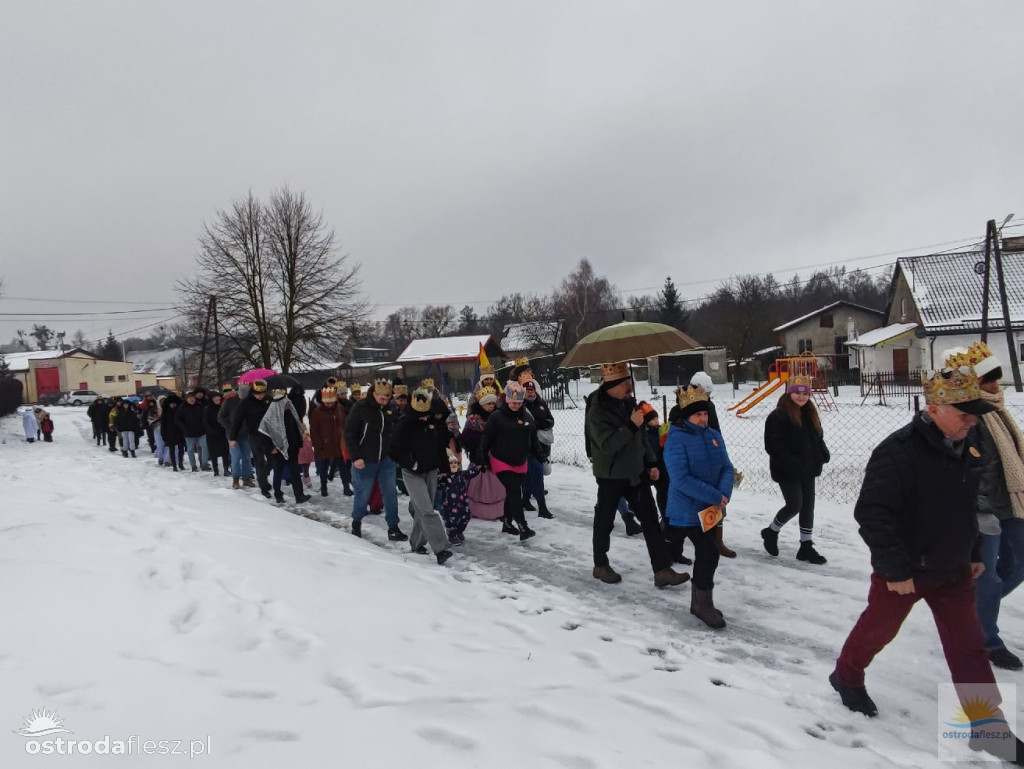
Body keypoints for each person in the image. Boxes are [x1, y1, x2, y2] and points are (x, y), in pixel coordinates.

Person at [830, 365, 1005, 726]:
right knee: (877, 631)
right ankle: (845, 677)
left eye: (974, 415)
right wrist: (894, 569)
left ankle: (987, 724)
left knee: (969, 646)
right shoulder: (898, 451)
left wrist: (972, 552)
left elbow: (966, 506)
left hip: (953, 569)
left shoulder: (966, 445)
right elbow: (872, 513)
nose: (971, 422)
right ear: (935, 408)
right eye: (963, 414)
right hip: (906, 570)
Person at [585, 362, 688, 588]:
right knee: (605, 520)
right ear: (612, 385)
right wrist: (631, 425)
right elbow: (607, 445)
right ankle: (600, 565)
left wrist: (651, 461)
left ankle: (661, 570)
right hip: (611, 475)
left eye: (629, 382)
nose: (630, 387)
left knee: (651, 520)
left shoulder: (630, 403)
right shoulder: (597, 410)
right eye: (625, 383)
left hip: (635, 472)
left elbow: (641, 438)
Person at [959, 343, 1024, 671]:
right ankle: (987, 640)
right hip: (983, 509)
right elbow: (966, 468)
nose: (996, 385)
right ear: (972, 382)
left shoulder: (998, 410)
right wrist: (979, 509)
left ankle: (967, 613)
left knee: (1018, 564)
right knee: (987, 577)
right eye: (988, 380)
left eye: (996, 378)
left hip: (1011, 501)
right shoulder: (967, 414)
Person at [663, 385, 735, 628]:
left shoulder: (713, 434)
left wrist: (724, 492)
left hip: (711, 509)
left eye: (705, 413)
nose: (703, 419)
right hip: (688, 508)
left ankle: (700, 602)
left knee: (709, 552)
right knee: (708, 552)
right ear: (686, 416)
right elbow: (680, 478)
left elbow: (727, 466)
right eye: (697, 415)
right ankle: (702, 604)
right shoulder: (676, 439)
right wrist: (715, 495)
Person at [761, 374, 830, 564]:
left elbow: (818, 438)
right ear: (789, 393)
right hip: (788, 469)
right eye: (797, 393)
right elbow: (773, 446)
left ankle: (806, 547)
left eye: (805, 393)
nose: (801, 397)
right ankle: (771, 531)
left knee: (808, 507)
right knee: (794, 504)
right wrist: (793, 462)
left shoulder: (810, 413)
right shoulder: (778, 416)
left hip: (809, 468)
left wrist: (823, 453)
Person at [389, 381, 452, 564]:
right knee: (427, 510)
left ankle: (416, 543)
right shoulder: (403, 426)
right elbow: (393, 450)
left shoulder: (432, 422)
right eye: (422, 416)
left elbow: (440, 446)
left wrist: (444, 469)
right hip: (412, 473)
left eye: (428, 415)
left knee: (421, 510)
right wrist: (410, 462)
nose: (425, 418)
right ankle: (441, 548)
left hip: (431, 471)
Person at [344, 379, 406, 541]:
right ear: (374, 394)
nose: (385, 401)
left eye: (387, 398)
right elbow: (349, 433)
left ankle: (393, 527)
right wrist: (356, 457)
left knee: (390, 494)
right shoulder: (360, 408)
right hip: (365, 459)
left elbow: (400, 426)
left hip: (386, 459)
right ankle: (356, 521)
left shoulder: (390, 408)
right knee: (363, 494)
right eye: (381, 398)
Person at [480, 381, 542, 541]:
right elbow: (486, 440)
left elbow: (533, 439)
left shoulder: (527, 416)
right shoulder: (496, 417)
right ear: (507, 400)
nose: (516, 405)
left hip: (520, 461)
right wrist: (482, 459)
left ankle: (507, 523)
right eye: (513, 402)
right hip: (501, 460)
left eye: (519, 402)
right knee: (515, 491)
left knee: (512, 492)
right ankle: (523, 526)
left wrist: (540, 455)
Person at [258, 388, 312, 504]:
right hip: (278, 449)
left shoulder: (290, 413)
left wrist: (299, 442)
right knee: (278, 471)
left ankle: (299, 495)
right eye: (285, 402)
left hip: (292, 448)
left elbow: (296, 428)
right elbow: (263, 433)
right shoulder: (270, 417)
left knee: (295, 472)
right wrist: (271, 447)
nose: (288, 404)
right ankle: (278, 494)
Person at [231, 380, 273, 497]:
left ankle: (263, 476)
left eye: (262, 393)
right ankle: (263, 486)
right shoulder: (246, 403)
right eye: (258, 394)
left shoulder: (269, 400)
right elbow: (237, 421)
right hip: (254, 435)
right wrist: (233, 438)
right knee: (260, 461)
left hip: (269, 435)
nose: (260, 396)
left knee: (272, 460)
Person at [521, 378, 554, 519]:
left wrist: (540, 423)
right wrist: (540, 424)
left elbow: (550, 420)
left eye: (532, 390)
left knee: (533, 474)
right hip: (527, 446)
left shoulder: (541, 403)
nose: (530, 392)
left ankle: (526, 501)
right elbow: (528, 424)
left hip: (542, 444)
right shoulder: (520, 406)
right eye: (527, 390)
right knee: (534, 473)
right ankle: (541, 507)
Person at [439, 449, 482, 546]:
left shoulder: (461, 475)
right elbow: (437, 484)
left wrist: (478, 468)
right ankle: (452, 535)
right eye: (451, 464)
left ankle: (459, 531)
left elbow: (471, 472)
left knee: (466, 516)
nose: (454, 465)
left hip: (462, 502)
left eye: (456, 463)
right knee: (452, 521)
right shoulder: (444, 478)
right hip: (450, 505)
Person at [310, 386, 345, 497]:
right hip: (324, 443)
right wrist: (318, 445)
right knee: (324, 466)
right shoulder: (317, 412)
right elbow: (314, 430)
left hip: (338, 442)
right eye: (327, 402)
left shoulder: (339, 408)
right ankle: (324, 486)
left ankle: (346, 486)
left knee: (343, 465)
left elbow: (343, 423)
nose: (329, 404)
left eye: (331, 402)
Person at [220, 384, 254, 488]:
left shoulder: (250, 402)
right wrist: (231, 426)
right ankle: (235, 479)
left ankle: (247, 477)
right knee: (236, 456)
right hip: (232, 434)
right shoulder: (229, 402)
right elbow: (221, 417)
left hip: (246, 434)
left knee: (246, 456)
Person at [176, 391, 210, 472]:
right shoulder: (182, 407)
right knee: (190, 450)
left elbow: (205, 417)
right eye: (190, 398)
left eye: (193, 398)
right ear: (187, 399)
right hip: (189, 433)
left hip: (201, 432)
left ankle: (204, 464)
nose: (192, 400)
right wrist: (184, 428)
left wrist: (205, 426)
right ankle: (193, 466)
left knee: (205, 447)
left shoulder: (199, 406)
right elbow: (177, 419)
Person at [204, 391, 231, 477]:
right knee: (213, 453)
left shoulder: (222, 407)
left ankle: (226, 469)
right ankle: (216, 470)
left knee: (225, 452)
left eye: (219, 400)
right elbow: (205, 422)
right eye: (216, 400)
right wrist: (210, 431)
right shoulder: (207, 409)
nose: (218, 401)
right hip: (211, 434)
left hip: (222, 432)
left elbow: (226, 418)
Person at [159, 394, 185, 471]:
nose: (173, 405)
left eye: (174, 403)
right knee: (172, 450)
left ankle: (180, 463)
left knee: (181, 449)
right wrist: (163, 434)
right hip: (170, 433)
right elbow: (163, 424)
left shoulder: (180, 412)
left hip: (180, 432)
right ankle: (174, 465)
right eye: (171, 404)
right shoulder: (165, 413)